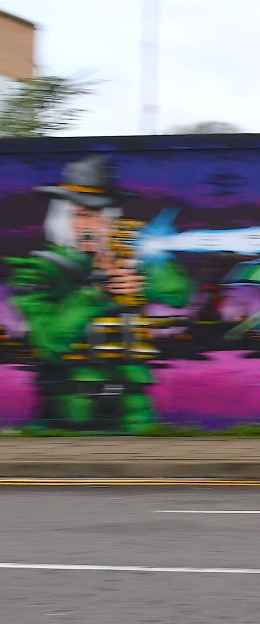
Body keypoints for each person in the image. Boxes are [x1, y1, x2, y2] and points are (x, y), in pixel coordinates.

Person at [2, 157, 192, 431]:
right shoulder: (39, 270)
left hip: (132, 407)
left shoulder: (130, 258)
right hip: (69, 405)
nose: (91, 225)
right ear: (60, 217)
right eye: (81, 215)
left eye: (101, 215)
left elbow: (179, 294)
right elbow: (49, 341)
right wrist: (98, 291)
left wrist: (146, 265)